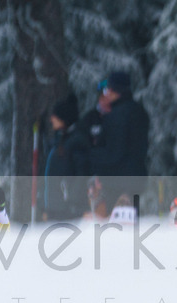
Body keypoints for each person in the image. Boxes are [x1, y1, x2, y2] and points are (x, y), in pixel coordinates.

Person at [89, 70, 150, 212]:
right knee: (131, 221)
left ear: (117, 90)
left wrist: (92, 155)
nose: (106, 92)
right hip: (136, 177)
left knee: (118, 226)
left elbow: (114, 152)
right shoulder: (139, 110)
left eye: (109, 88)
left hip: (117, 181)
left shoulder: (116, 115)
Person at [42, 93, 90, 221]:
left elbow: (82, 174)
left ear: (64, 118)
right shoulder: (61, 138)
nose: (51, 119)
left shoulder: (77, 141)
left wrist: (72, 201)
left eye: (55, 115)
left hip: (68, 209)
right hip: (56, 207)